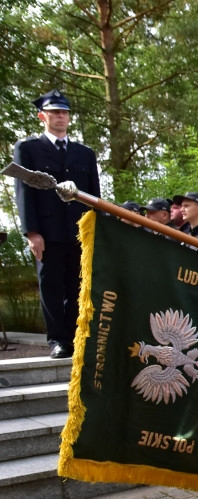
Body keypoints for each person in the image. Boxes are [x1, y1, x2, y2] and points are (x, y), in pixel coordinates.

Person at [13, 90, 101, 359]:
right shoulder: (28, 149)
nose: (60, 116)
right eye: (54, 113)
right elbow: (23, 191)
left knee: (78, 284)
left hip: (79, 231)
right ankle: (58, 340)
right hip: (47, 233)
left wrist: (97, 231)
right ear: (43, 116)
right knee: (50, 285)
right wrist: (32, 232)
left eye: (64, 112)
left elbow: (94, 196)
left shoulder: (84, 154)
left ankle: (76, 338)